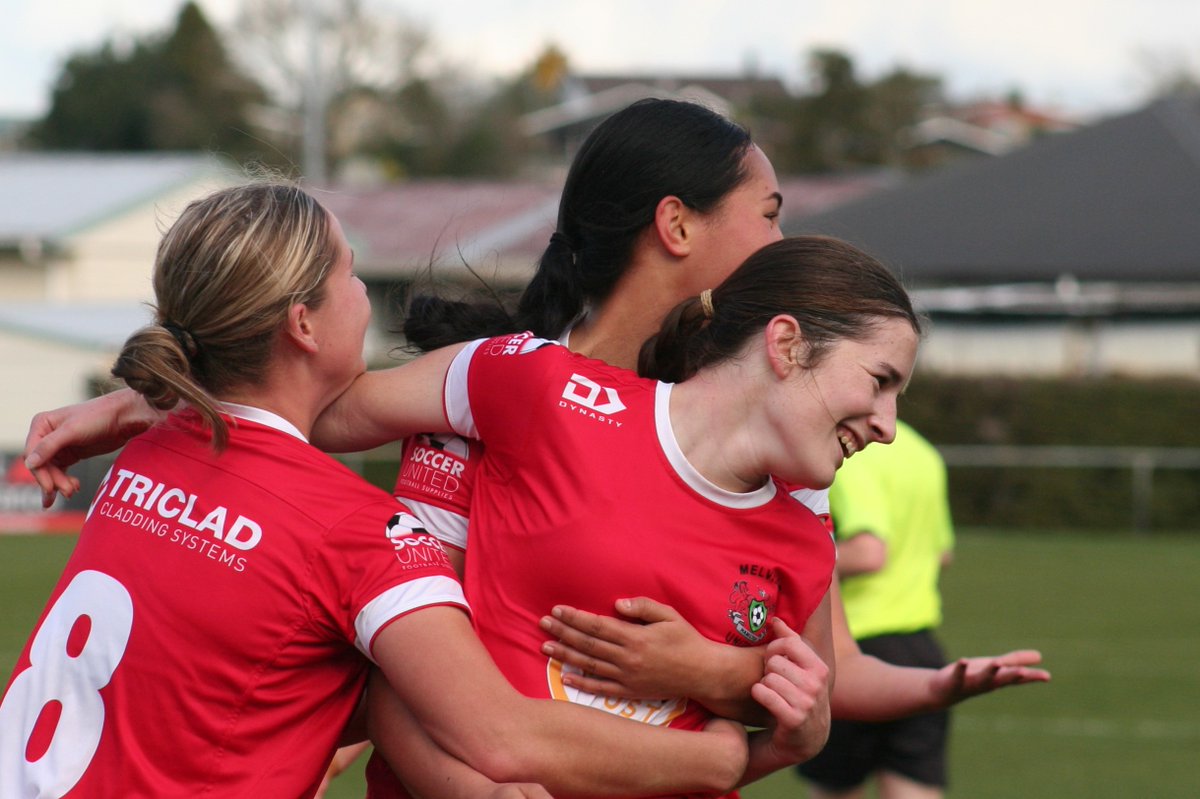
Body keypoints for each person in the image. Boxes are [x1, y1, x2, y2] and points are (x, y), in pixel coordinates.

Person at [21, 100, 1047, 780]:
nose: (784, 246)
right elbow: (423, 681)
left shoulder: (777, 455)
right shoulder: (510, 389)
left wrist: (725, 678)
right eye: (769, 214)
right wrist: (145, 409)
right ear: (676, 226)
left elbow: (806, 689)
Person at [0, 182, 762, 799]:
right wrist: (720, 757)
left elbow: (280, 672)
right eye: (351, 274)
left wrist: (134, 406)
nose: (365, 294)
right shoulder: (360, 535)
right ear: (303, 324)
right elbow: (499, 733)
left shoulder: (148, 457)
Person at [308, 234, 922, 797]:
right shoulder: (540, 385)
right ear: (787, 344)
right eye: (879, 381)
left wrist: (780, 736)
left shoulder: (806, 538)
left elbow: (765, 731)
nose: (888, 427)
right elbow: (318, 414)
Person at [797, 420, 956, 799]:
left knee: (837, 787)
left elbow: (869, 552)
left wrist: (793, 556)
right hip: (921, 651)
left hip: (855, 649)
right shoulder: (922, 452)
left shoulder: (850, 455)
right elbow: (943, 552)